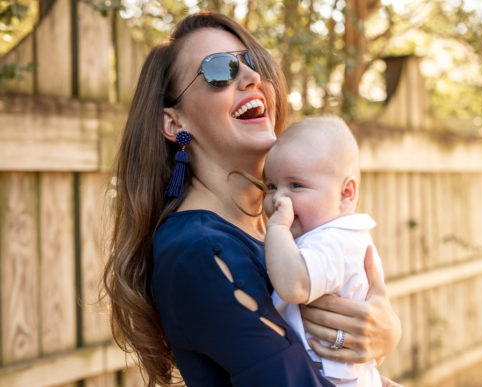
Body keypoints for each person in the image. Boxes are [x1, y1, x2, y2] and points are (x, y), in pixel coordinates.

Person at [102, 11, 401, 387]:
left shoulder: (282, 225)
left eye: (254, 62)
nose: (252, 77)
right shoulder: (199, 251)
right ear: (174, 123)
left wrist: (382, 334)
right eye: (219, 69)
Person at [264, 116, 393, 386]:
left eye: (296, 185)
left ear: (346, 193)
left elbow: (294, 285)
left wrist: (276, 230)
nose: (278, 198)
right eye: (271, 186)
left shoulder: (333, 241)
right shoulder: (328, 235)